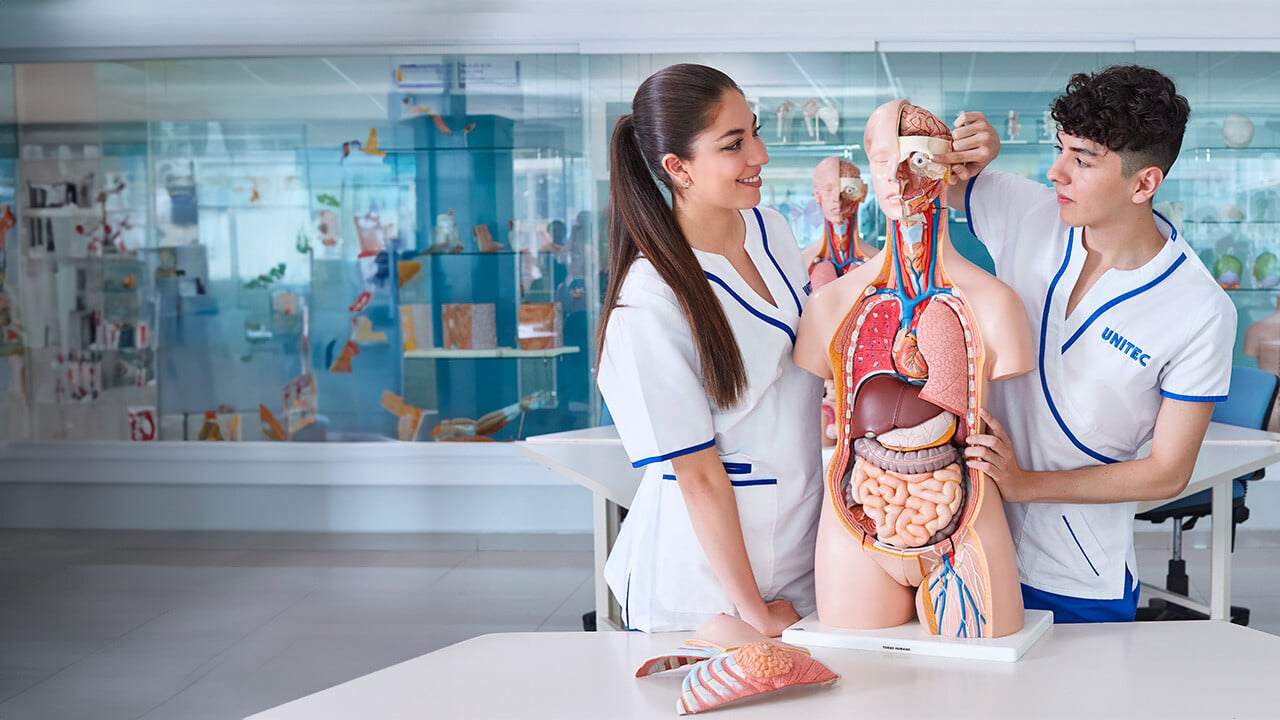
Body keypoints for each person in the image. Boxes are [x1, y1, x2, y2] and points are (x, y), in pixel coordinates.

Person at [940, 65, 1237, 623]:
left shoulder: (1199, 309)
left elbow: (1167, 471)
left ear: (1143, 183)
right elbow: (921, 175)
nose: (1056, 173)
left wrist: (1026, 486)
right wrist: (968, 147)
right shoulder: (1027, 211)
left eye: (1082, 159)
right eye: (1060, 150)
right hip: (967, 536)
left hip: (1075, 569)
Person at [595, 63, 823, 636]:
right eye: (733, 144)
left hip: (796, 547)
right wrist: (753, 613)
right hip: (706, 591)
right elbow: (696, 476)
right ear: (679, 169)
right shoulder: (649, 300)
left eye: (755, 131)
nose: (760, 156)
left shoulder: (771, 228)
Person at [793, 99, 1033, 638]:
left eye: (919, 159)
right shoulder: (831, 306)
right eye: (884, 160)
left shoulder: (996, 305)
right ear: (869, 168)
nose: (899, 178)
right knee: (864, 686)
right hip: (857, 517)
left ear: (947, 167)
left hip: (966, 520)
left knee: (980, 689)